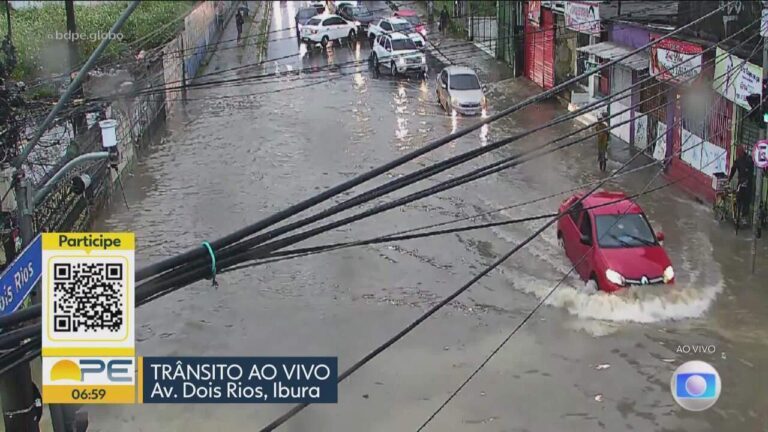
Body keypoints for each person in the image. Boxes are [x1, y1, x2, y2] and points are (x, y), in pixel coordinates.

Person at [729, 146, 754, 224]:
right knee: (740, 198)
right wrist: (729, 179)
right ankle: (738, 215)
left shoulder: (748, 160)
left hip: (747, 183)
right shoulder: (738, 160)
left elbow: (751, 171)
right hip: (742, 183)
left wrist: (747, 179)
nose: (738, 154)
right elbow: (733, 169)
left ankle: (743, 216)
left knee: (746, 200)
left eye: (739, 152)